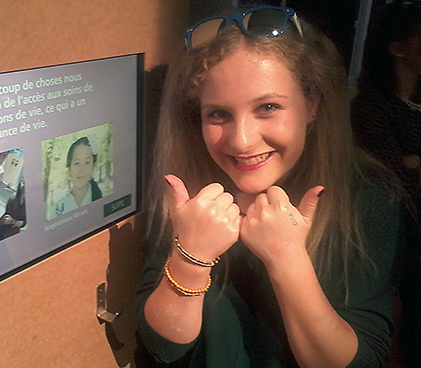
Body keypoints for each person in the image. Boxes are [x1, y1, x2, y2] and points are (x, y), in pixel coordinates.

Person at [136, 6, 411, 368]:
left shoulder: (369, 196)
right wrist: (192, 256)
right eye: (218, 114)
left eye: (267, 107)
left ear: (311, 105)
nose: (242, 141)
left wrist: (286, 257)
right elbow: (163, 346)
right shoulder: (189, 192)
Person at [350, 2, 421, 367]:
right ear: (398, 48)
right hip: (402, 237)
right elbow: (390, 176)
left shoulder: (416, 104)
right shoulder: (371, 106)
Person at [52, 137, 102, 217]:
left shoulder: (102, 198)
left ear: (94, 166)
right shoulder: (58, 208)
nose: (81, 170)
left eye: (87, 162)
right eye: (77, 163)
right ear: (69, 170)